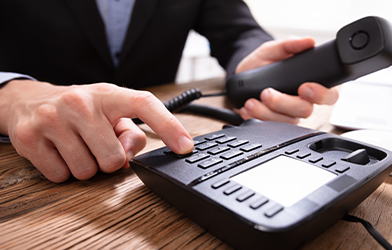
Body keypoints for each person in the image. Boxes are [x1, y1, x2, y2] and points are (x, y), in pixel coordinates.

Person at [0, 0, 338, 183]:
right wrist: (13, 96)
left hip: (143, 149)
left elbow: (238, 31)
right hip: (27, 157)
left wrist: (259, 72)